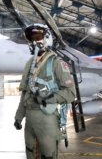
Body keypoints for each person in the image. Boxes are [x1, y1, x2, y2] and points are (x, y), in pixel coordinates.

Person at [14, 24, 76, 159]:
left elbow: (70, 93)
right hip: (30, 120)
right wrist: (19, 116)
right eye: (32, 39)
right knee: (30, 153)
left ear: (47, 40)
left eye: (38, 38)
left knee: (48, 155)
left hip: (46, 119)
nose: (35, 42)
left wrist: (48, 97)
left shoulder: (56, 62)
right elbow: (25, 92)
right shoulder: (29, 64)